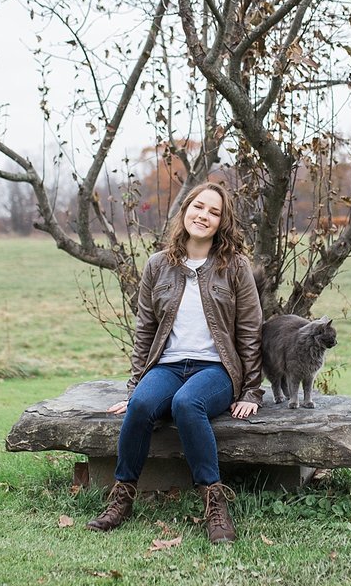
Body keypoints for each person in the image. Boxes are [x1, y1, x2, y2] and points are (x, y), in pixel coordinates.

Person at [85, 181, 263, 544]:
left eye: (214, 212)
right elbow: (145, 331)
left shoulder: (235, 267)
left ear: (221, 222)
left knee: (187, 404)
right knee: (141, 406)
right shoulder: (157, 266)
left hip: (216, 369)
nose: (204, 216)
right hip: (167, 366)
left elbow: (250, 330)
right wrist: (135, 389)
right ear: (185, 211)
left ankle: (215, 504)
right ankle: (122, 497)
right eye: (199, 207)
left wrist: (251, 391)